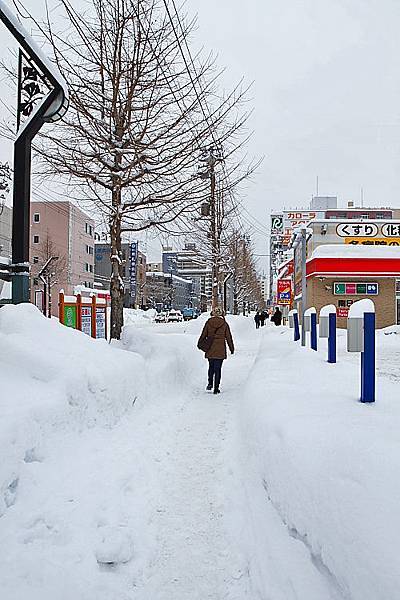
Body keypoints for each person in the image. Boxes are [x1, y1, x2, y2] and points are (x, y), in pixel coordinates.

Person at [197, 306, 234, 394]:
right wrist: (231, 348)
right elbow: (229, 337)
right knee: (218, 369)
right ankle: (216, 388)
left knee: (211, 367)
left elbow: (203, 335)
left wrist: (200, 343)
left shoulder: (208, 323)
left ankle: (210, 383)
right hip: (220, 349)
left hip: (210, 348)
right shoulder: (224, 324)